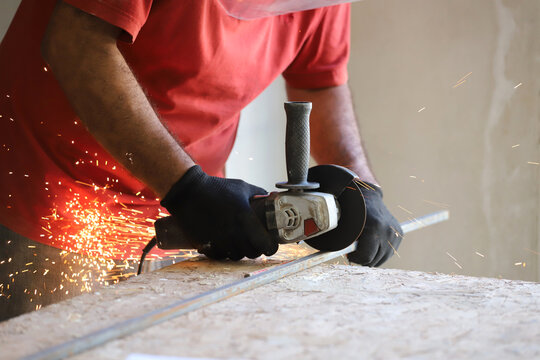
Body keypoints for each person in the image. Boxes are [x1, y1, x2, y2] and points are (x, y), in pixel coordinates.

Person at [0, 0, 402, 317]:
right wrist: (189, 188)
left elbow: (321, 81)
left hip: (189, 212)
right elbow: (76, 42)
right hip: (49, 191)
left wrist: (361, 185)